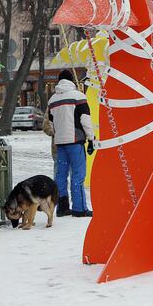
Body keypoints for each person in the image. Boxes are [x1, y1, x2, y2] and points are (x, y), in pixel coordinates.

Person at [47, 69, 95, 217]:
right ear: (71, 81)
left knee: (60, 176)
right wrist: (91, 139)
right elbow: (85, 120)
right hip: (75, 141)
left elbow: (50, 123)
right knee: (78, 175)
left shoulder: (52, 100)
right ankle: (79, 208)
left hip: (60, 143)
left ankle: (62, 207)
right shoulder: (78, 97)